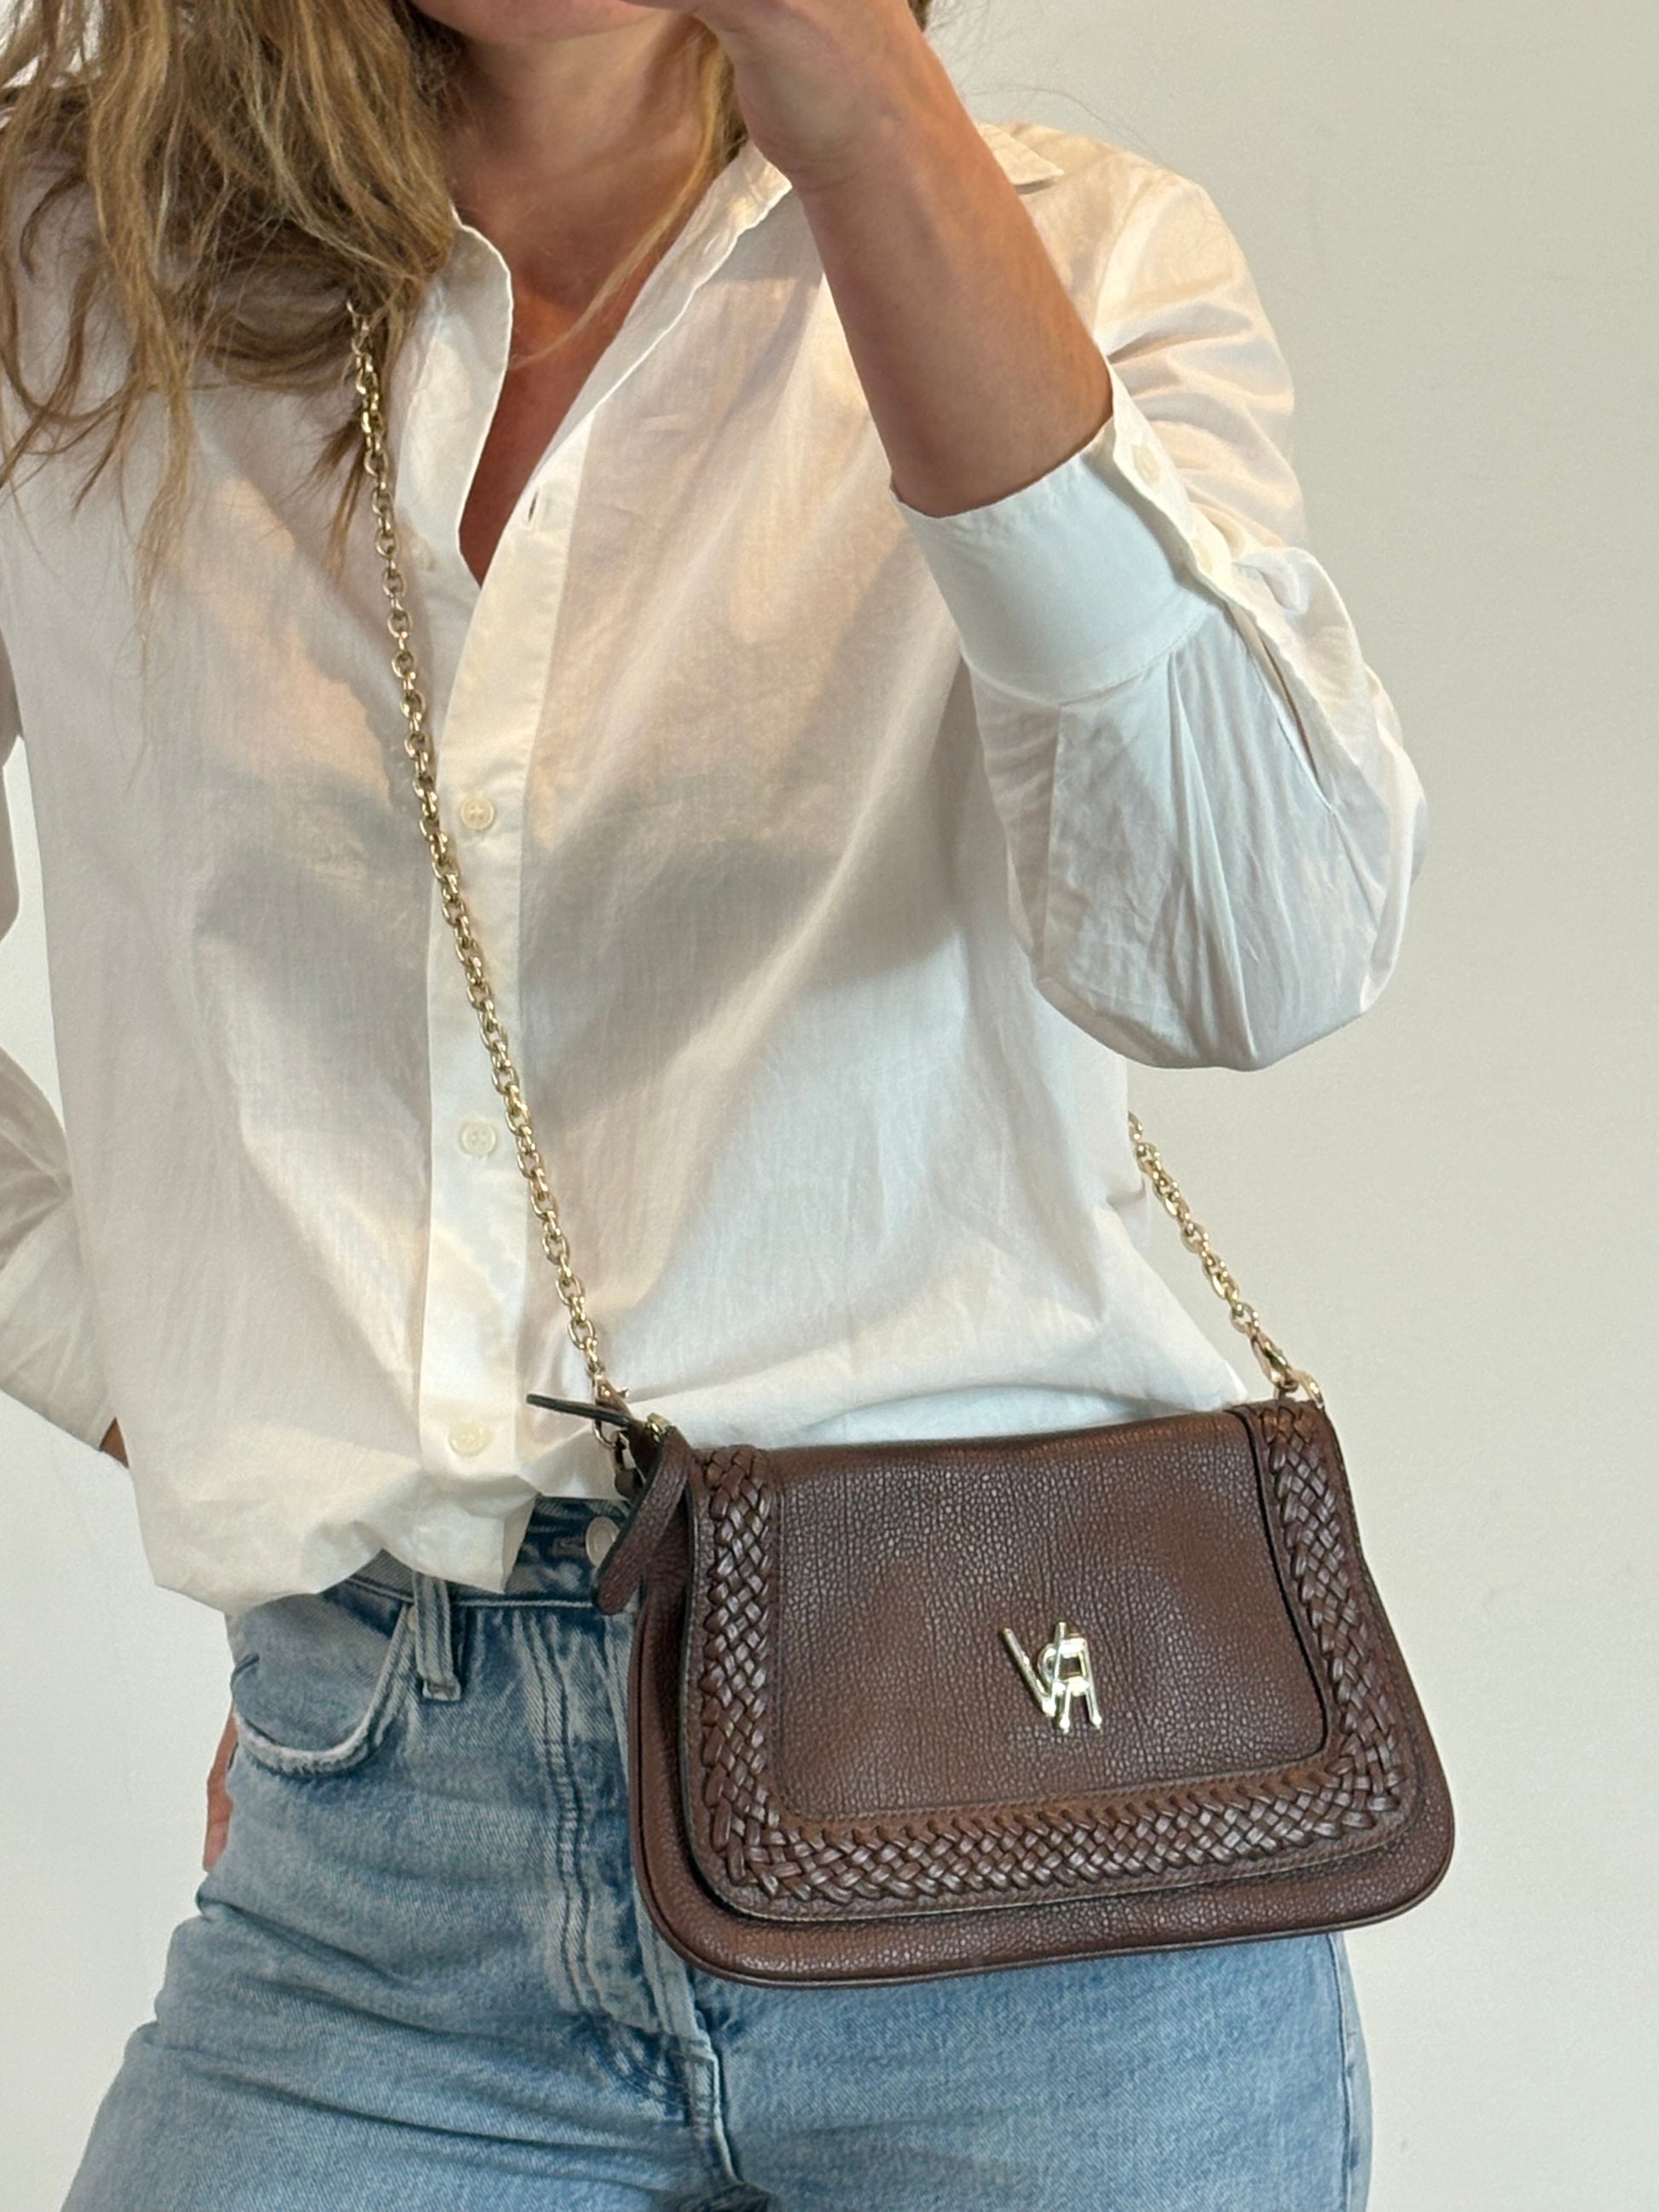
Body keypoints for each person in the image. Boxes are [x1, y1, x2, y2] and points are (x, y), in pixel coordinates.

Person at [0, 0, 1421, 2203]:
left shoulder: (1073, 252)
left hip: (1047, 1858)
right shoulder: (68, 283)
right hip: (376, 1873)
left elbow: (1249, 946)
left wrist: (868, 125)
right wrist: (183, 1362)